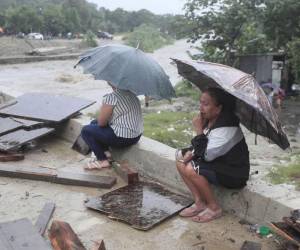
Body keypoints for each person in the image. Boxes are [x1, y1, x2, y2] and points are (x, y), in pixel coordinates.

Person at [176, 87, 250, 223]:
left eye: (206, 104)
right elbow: (202, 147)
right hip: (218, 162)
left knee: (192, 168)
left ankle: (214, 208)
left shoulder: (227, 128)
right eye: (200, 103)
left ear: (218, 108)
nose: (201, 108)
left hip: (234, 172)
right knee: (181, 158)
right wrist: (190, 153)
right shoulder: (211, 120)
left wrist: (199, 130)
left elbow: (207, 155)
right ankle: (199, 202)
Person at [81, 82, 143, 169]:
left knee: (86, 131)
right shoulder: (133, 95)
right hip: (136, 136)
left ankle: (102, 160)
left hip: (123, 138)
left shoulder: (111, 97)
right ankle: (106, 152)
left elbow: (102, 123)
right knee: (93, 123)